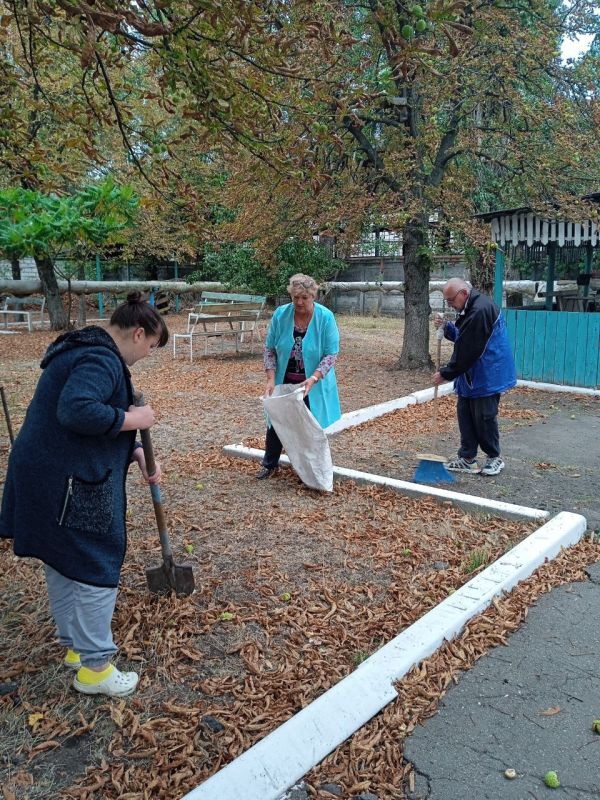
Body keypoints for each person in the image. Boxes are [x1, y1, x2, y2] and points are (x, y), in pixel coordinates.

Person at [0, 292, 169, 697]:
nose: (146, 355)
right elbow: (77, 411)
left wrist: (137, 450)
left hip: (45, 473)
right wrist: (134, 418)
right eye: (150, 347)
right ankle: (94, 668)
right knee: (96, 560)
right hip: (70, 483)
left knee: (62, 557)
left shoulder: (81, 348)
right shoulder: (100, 359)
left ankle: (75, 647)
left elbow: (83, 426)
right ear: (138, 333)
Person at [258, 273, 341, 479]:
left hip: (313, 382)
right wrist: (270, 378)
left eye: (305, 297)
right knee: (277, 422)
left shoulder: (325, 317)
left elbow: (331, 354)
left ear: (313, 296)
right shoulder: (281, 315)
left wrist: (314, 378)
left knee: (311, 426)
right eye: (296, 297)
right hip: (285, 379)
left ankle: (312, 471)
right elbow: (269, 349)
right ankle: (270, 464)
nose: (300, 302)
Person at [433, 278, 516, 476]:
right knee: (465, 413)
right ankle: (467, 458)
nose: (450, 305)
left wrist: (446, 373)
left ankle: (494, 457)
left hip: (488, 371)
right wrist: (447, 327)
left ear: (463, 293)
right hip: (472, 371)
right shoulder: (469, 307)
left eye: (451, 300)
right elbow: (464, 337)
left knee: (484, 416)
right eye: (447, 302)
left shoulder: (480, 310)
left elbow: (469, 349)